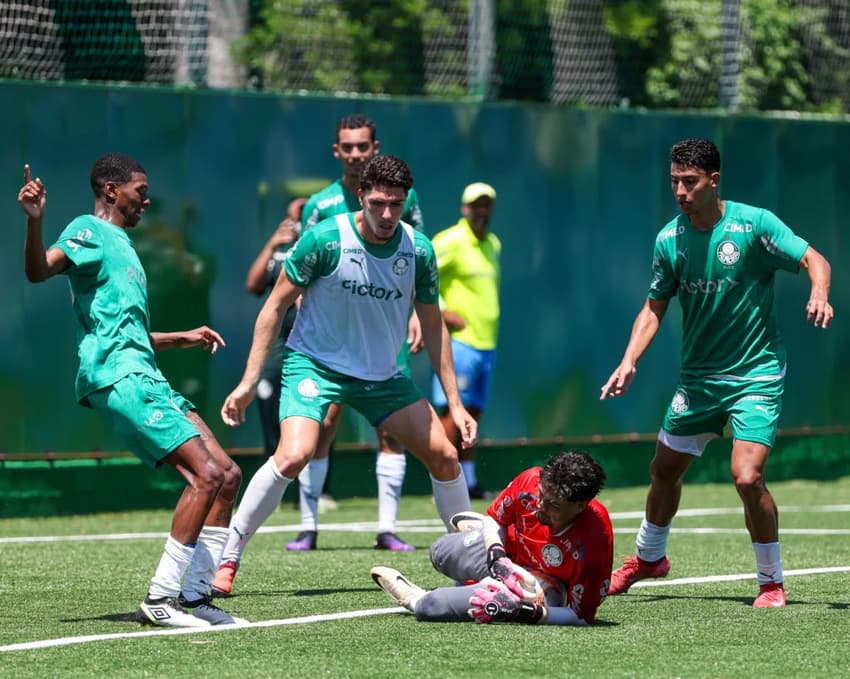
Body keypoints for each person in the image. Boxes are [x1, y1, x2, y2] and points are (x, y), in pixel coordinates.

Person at [211, 154, 475, 595]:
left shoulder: (419, 249)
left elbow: (433, 327)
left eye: (396, 203)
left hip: (382, 378)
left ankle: (471, 564)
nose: (387, 214)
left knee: (446, 457)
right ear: (361, 196)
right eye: (378, 203)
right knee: (295, 453)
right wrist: (245, 382)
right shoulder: (324, 239)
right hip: (315, 364)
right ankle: (229, 552)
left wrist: (457, 404)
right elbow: (273, 306)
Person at [599, 138, 834, 609]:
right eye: (674, 182)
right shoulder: (670, 239)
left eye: (690, 182)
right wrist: (629, 360)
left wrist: (819, 293)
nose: (681, 191)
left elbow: (815, 259)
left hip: (755, 373)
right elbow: (653, 308)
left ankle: (771, 582)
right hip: (699, 379)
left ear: (714, 180)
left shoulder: (754, 224)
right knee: (663, 470)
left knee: (747, 477)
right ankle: (649, 558)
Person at [18, 154, 245, 628]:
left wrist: (180, 337)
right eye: (139, 190)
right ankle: (161, 599)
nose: (146, 199)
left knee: (226, 475)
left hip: (147, 375)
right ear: (109, 189)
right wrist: (35, 223)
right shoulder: (88, 230)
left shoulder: (123, 245)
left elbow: (124, 328)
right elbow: (40, 270)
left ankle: (196, 596)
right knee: (204, 475)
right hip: (120, 379)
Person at [287, 113, 426, 553]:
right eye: (347, 147)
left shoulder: (403, 198)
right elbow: (297, 277)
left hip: (383, 333)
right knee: (322, 424)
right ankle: (308, 525)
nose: (354, 154)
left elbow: (417, 260)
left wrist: (418, 316)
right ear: (336, 152)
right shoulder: (321, 206)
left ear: (375, 148)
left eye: (362, 146)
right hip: (330, 341)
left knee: (393, 431)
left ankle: (387, 528)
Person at [370, 450, 612, 626]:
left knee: (432, 608)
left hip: (539, 587)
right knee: (440, 552)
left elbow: (580, 617)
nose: (540, 506)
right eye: (541, 496)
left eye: (553, 505)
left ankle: (414, 598)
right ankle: (485, 543)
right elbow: (495, 518)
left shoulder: (594, 543)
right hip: (509, 554)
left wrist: (524, 611)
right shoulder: (530, 480)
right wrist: (497, 556)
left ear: (580, 506)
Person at [430, 182, 500, 499]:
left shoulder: (493, 244)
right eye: (476, 205)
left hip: (486, 343)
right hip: (459, 343)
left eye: (487, 205)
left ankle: (468, 481)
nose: (481, 211)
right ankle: (445, 480)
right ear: (464, 209)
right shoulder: (449, 241)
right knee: (451, 413)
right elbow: (421, 278)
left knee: (473, 412)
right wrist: (443, 312)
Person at [245, 197, 307, 458]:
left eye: (301, 215)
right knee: (268, 399)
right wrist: (273, 242)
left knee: (316, 416)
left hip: (311, 348)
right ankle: (273, 469)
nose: (295, 221)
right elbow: (254, 285)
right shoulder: (281, 249)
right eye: (292, 215)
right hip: (278, 348)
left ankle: (319, 489)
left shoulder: (320, 245)